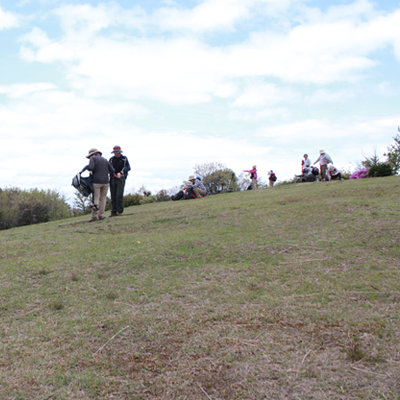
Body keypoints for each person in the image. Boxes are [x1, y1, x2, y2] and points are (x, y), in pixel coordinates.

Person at [83, 148, 115, 221]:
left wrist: (86, 168)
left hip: (96, 182)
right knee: (103, 199)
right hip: (106, 182)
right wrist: (111, 178)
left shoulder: (93, 159)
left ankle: (94, 216)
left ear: (92, 155)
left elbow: (91, 167)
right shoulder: (105, 160)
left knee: (96, 198)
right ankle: (101, 215)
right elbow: (112, 170)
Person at [109, 145, 131, 216]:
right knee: (113, 195)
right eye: (115, 153)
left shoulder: (124, 158)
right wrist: (113, 173)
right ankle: (113, 211)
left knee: (119, 194)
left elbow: (128, 167)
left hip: (121, 178)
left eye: (117, 152)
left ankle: (120, 211)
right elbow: (109, 168)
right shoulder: (111, 159)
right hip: (113, 178)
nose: (116, 154)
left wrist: (121, 172)